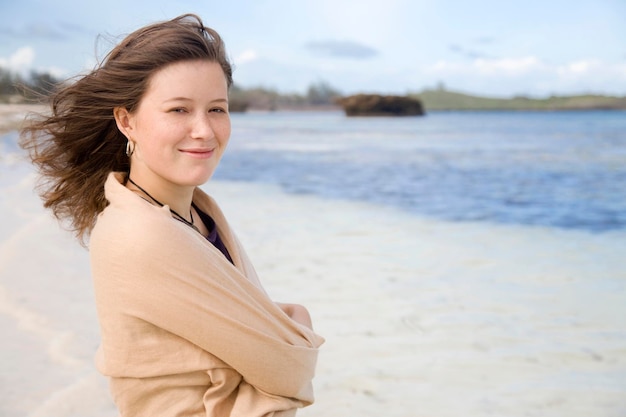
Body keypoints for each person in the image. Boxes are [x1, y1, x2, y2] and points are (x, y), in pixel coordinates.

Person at [20, 14, 324, 417]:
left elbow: (273, 368)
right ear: (126, 120)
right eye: (179, 110)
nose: (203, 130)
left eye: (217, 109)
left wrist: (275, 349)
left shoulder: (198, 212)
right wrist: (296, 321)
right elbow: (291, 370)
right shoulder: (143, 233)